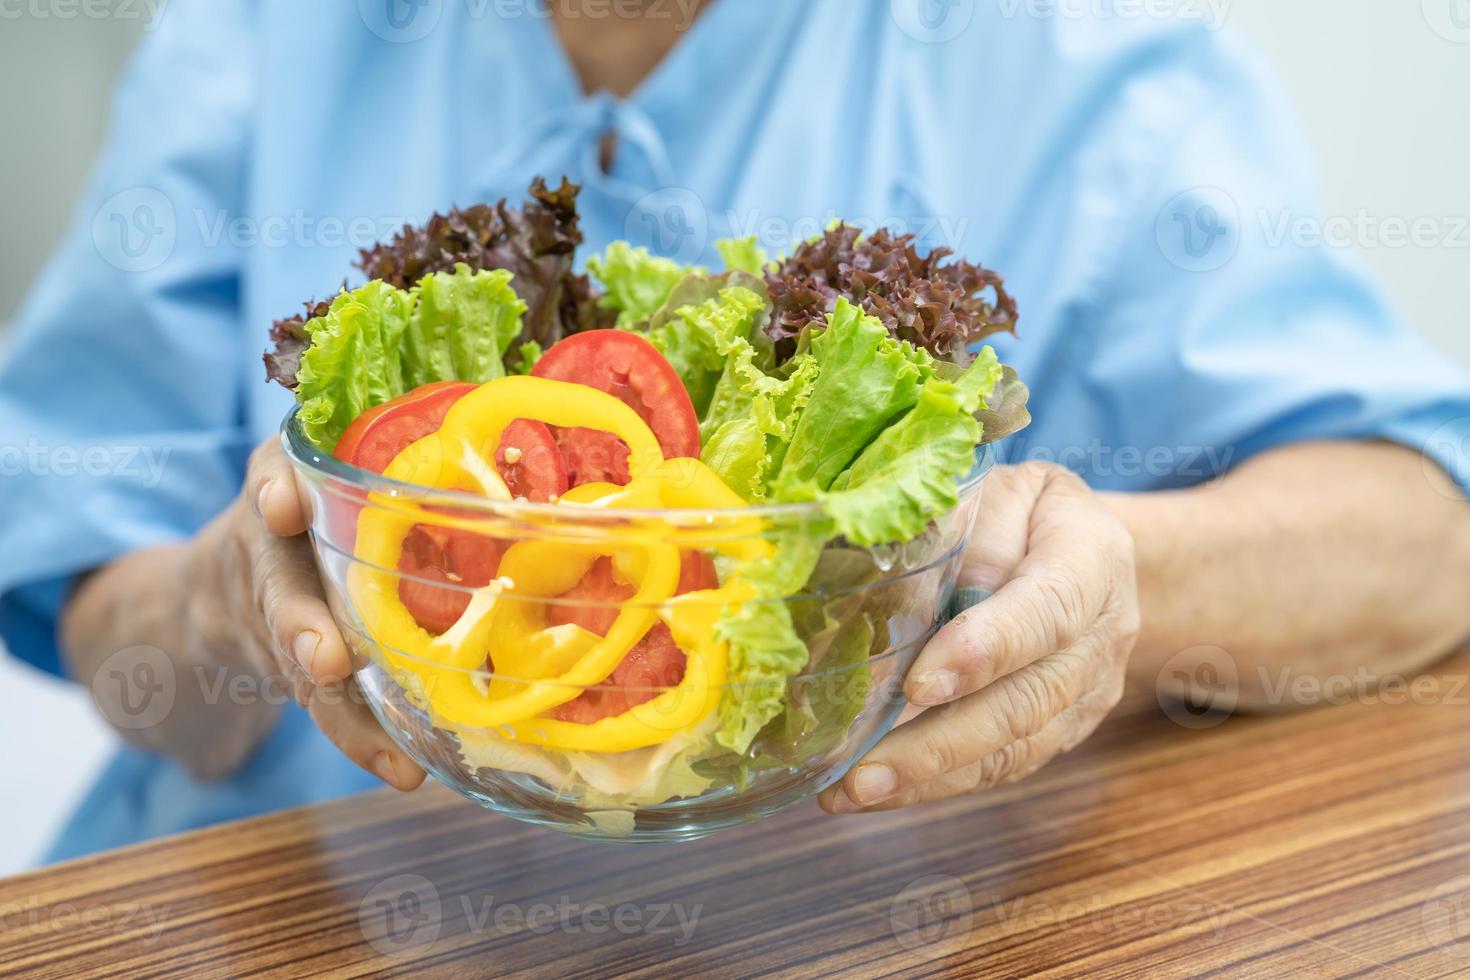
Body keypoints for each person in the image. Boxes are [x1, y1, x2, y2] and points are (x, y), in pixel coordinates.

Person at [3, 0, 1469, 861]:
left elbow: (1421, 537)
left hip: (841, 923)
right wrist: (225, 610)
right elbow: (106, 620)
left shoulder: (1069, 54)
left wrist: (1110, 587)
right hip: (280, 901)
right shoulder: (265, 34)